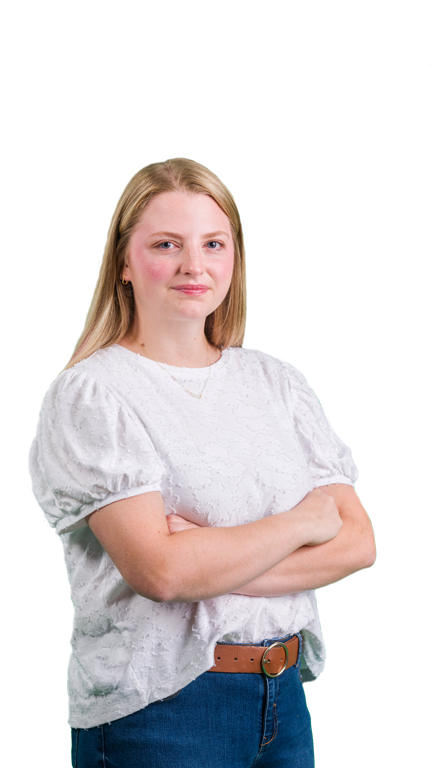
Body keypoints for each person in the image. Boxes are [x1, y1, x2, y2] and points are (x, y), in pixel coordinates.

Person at [27, 158, 375, 768]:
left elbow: (357, 544)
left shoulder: (276, 381)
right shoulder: (95, 394)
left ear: (234, 257)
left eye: (213, 244)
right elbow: (161, 575)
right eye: (167, 244)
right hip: (161, 709)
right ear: (125, 263)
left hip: (284, 699)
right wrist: (301, 524)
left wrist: (206, 555)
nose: (195, 266)